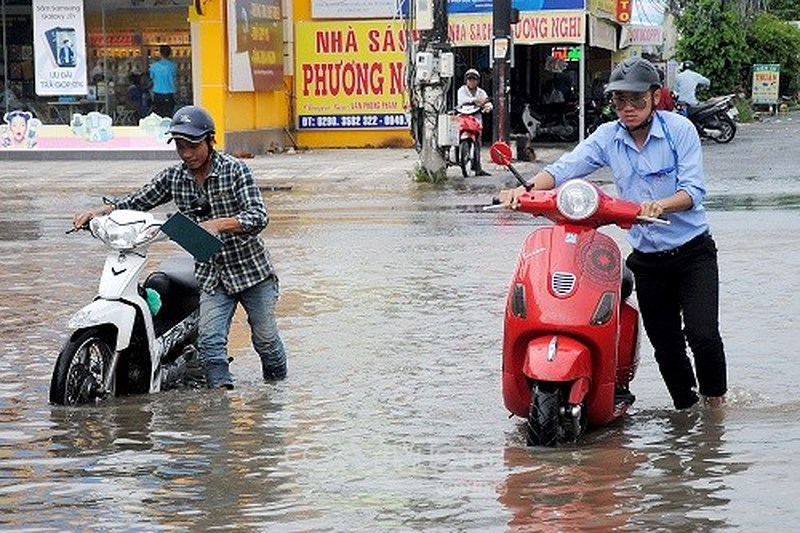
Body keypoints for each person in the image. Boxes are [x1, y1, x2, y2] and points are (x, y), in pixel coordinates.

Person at [499, 57, 727, 410]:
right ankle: (687, 411)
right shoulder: (608, 136)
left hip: (692, 253)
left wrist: (659, 206)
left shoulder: (679, 130)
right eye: (620, 100)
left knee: (703, 335)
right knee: (665, 346)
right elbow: (564, 169)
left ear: (655, 97)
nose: (628, 108)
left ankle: (715, 407)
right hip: (647, 260)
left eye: (636, 99)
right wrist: (524, 190)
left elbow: (693, 191)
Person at [72, 105, 287, 390]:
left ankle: (276, 395)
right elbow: (138, 200)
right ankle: (218, 409)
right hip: (212, 275)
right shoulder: (174, 177)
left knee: (266, 340)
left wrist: (218, 224)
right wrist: (101, 210)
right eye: (180, 146)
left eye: (193, 146)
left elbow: (259, 216)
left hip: (252, 273)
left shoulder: (236, 170)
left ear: (210, 140)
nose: (186, 153)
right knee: (211, 344)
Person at [457, 68, 493, 176]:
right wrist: (477, 101)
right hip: (463, 116)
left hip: (476, 118)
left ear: (477, 81)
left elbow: (488, 103)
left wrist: (487, 107)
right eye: (469, 79)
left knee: (477, 142)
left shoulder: (481, 92)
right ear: (466, 81)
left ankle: (477, 167)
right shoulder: (461, 90)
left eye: (474, 79)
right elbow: (463, 100)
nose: (471, 82)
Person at [149, 44, 178, 117]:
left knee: (158, 115)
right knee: (168, 115)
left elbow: (151, 77)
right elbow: (174, 79)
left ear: (160, 53)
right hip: (169, 93)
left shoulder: (153, 66)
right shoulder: (173, 66)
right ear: (170, 53)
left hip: (157, 93)